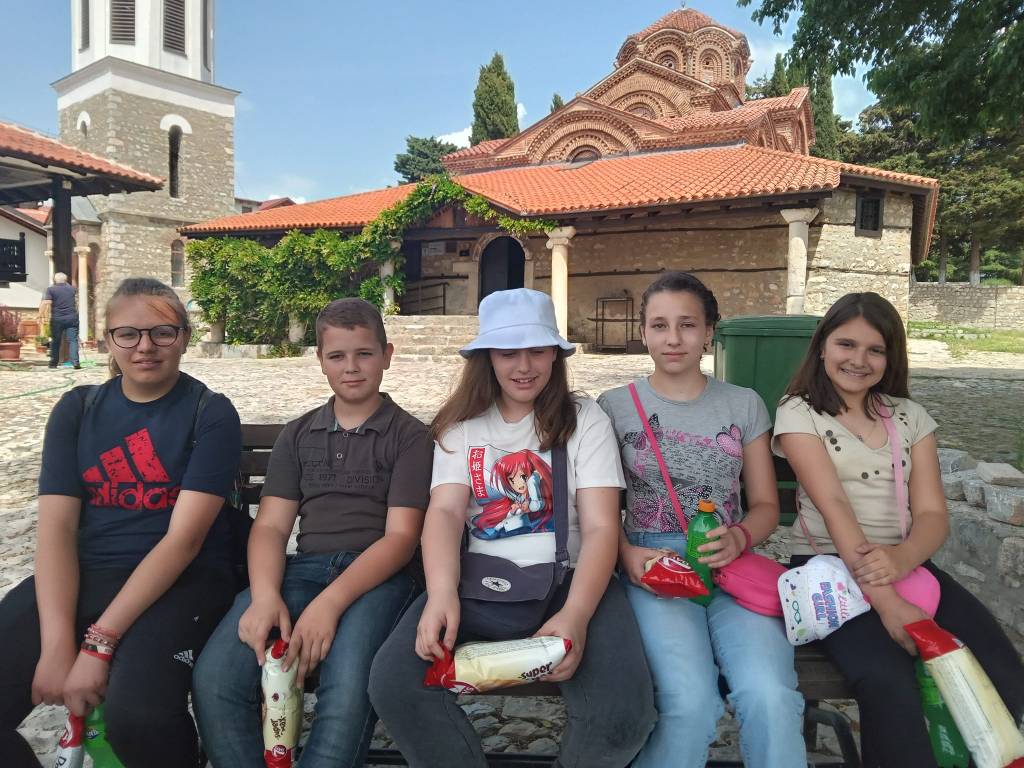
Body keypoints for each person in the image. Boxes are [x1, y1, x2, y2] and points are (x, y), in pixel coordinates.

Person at [368, 288, 656, 768]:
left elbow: (602, 526)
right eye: (507, 353)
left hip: (572, 581)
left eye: (537, 350)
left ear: (555, 355)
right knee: (395, 683)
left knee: (621, 711)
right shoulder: (462, 425)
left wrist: (577, 615)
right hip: (477, 582)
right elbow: (444, 513)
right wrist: (441, 594)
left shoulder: (584, 419)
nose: (524, 366)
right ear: (487, 358)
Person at [774, 291, 1024, 767]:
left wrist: (902, 560)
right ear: (822, 346)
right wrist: (889, 604)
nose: (859, 360)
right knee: (886, 679)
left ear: (891, 358)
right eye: (846, 344)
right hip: (829, 568)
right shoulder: (798, 412)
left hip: (905, 563)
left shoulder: (911, 418)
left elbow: (932, 514)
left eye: (876, 349)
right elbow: (834, 506)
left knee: (999, 667)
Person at [0, 277, 241, 768]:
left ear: (184, 338)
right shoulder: (77, 410)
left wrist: (97, 645)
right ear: (107, 340)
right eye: (127, 334)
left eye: (162, 332)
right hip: (88, 572)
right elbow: (56, 531)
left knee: (137, 716)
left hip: (181, 581)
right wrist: (56, 645)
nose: (144, 346)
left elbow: (184, 540)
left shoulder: (210, 413)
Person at [193, 298, 431, 768]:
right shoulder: (299, 435)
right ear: (320, 359)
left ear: (387, 355)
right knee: (216, 678)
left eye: (364, 354)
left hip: (380, 577)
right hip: (303, 571)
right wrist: (265, 596)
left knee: (349, 684)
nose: (351, 367)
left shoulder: (409, 436)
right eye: (337, 356)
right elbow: (271, 526)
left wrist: (330, 604)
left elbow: (401, 538)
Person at [598, 272, 806, 768]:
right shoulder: (614, 407)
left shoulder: (743, 404)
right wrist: (626, 554)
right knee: (689, 704)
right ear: (644, 332)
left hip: (730, 563)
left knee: (771, 695)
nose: (673, 338)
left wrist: (739, 537)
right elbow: (600, 511)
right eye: (660, 325)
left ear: (710, 331)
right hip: (655, 567)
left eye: (687, 324)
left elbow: (765, 505)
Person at [40, 271, 80, 369]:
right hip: (72, 318)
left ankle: (53, 363)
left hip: (57, 319)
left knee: (56, 341)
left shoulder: (51, 289)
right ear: (66, 280)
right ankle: (75, 362)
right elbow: (76, 303)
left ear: (54, 280)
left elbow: (46, 303)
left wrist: (40, 315)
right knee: (73, 340)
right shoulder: (72, 289)